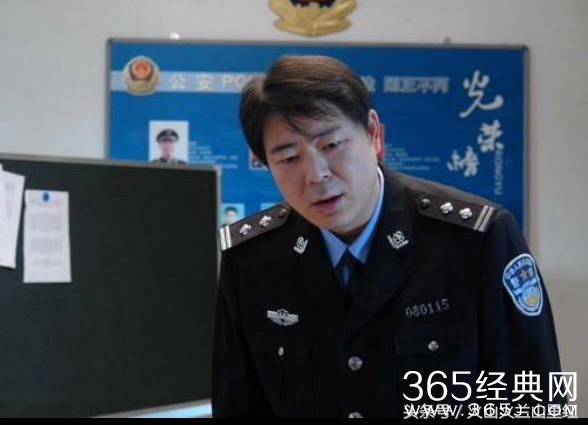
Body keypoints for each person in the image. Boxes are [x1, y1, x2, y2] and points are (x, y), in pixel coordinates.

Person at [212, 55, 565, 418]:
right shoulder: (251, 260)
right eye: (288, 158)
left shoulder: (476, 240)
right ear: (264, 163)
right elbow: (237, 406)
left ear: (373, 134)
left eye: (331, 145)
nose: (316, 175)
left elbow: (534, 403)